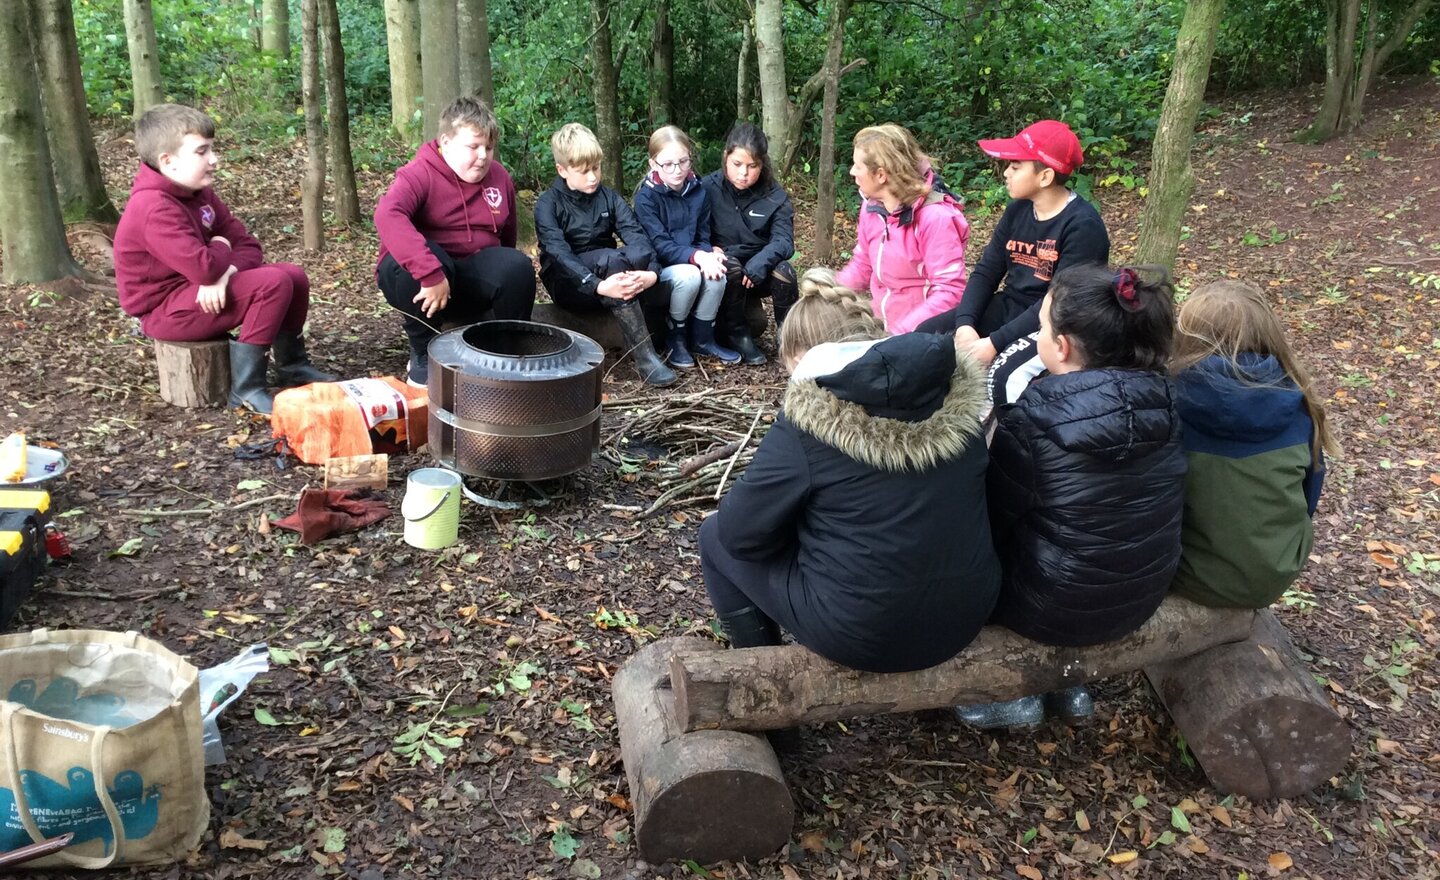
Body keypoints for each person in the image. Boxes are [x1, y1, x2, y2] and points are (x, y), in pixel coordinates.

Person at [699, 268, 1000, 676]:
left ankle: (764, 680)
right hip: (970, 611)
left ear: (803, 360)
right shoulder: (949, 395)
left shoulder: (809, 421)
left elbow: (739, 534)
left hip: (867, 633)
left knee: (713, 536)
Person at [955, 264, 1185, 729]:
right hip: (1140, 594)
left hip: (1049, 607)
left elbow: (992, 517)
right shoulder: (1171, 401)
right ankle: (1069, 685)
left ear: (1059, 346)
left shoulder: (1033, 418)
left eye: (1041, 326)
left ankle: (1013, 695)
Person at [114, 104, 333, 415]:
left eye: (212, 150)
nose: (214, 160)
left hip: (194, 293)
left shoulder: (197, 192)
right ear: (167, 161)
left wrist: (223, 271)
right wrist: (217, 251)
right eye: (202, 152)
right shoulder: (153, 206)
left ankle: (292, 365)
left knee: (293, 276)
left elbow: (248, 246)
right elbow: (205, 267)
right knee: (271, 283)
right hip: (164, 312)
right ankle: (246, 389)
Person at [916, 120, 1109, 406]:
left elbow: (1059, 303)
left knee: (1003, 377)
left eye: (1016, 167)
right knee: (924, 338)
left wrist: (993, 343)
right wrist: (965, 323)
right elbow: (987, 271)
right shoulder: (1018, 210)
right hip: (1008, 305)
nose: (1006, 173)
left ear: (1044, 177)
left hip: (1054, 324)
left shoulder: (1083, 226)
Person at [1169, 280, 1338, 607]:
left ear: (1185, 334)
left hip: (1188, 573)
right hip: (1276, 570)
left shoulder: (1169, 399)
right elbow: (1309, 497)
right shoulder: (1299, 402)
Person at [375, 96, 536, 387]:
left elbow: (507, 238)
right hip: (425, 281)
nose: (484, 156)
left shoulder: (499, 177)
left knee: (516, 266)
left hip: (469, 278)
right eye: (473, 147)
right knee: (422, 257)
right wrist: (429, 272)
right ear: (446, 142)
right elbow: (388, 214)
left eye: (488, 147)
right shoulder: (419, 173)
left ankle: (506, 353)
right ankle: (423, 352)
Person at [534, 123, 675, 387]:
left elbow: (639, 241)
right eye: (583, 171)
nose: (592, 177)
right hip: (569, 283)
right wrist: (598, 286)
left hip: (613, 272)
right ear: (562, 170)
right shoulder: (548, 203)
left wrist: (651, 274)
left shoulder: (609, 198)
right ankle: (645, 357)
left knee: (632, 258)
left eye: (596, 168)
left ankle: (659, 341)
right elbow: (559, 254)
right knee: (612, 260)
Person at [835, 124, 970, 334]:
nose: (852, 171)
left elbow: (950, 292)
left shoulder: (936, 218)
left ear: (881, 175)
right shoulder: (872, 208)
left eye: (857, 166)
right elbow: (863, 265)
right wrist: (828, 293)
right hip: (883, 327)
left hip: (923, 337)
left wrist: (899, 334)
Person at [633, 125, 741, 369]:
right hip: (660, 270)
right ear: (654, 164)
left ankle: (704, 338)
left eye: (683, 161)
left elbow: (703, 234)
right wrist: (697, 257)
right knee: (691, 275)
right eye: (668, 164)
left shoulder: (698, 191)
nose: (677, 170)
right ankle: (676, 337)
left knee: (718, 273)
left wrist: (706, 254)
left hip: (692, 259)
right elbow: (658, 245)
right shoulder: (646, 199)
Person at [701, 122, 797, 365]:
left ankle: (788, 336)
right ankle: (738, 334)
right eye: (737, 164)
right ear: (726, 157)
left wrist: (760, 262)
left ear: (762, 164)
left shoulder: (774, 195)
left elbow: (784, 241)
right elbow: (692, 232)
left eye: (752, 166)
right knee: (729, 265)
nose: (743, 173)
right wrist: (708, 248)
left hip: (758, 269)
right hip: (723, 270)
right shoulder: (706, 189)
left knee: (785, 271)